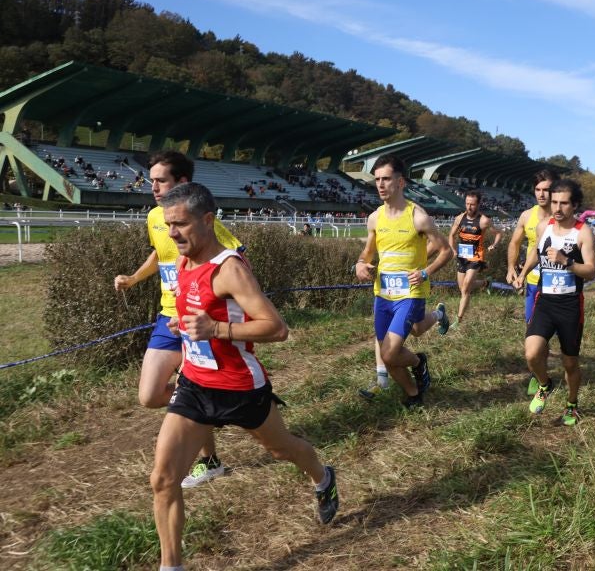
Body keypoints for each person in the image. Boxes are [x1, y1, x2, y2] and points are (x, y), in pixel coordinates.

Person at [151, 182, 338, 570]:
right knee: (164, 479)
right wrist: (181, 324)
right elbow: (200, 314)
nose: (172, 233)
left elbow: (277, 328)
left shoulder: (230, 269)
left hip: (239, 387)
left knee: (281, 448)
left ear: (207, 220)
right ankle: (172, 565)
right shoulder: (185, 262)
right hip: (195, 385)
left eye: (180, 224)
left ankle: (322, 477)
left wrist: (216, 331)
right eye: (169, 224)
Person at [114, 151, 242, 489]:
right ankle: (210, 404)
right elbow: (160, 252)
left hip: (196, 319)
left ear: (182, 183)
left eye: (161, 180)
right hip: (166, 316)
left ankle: (209, 460)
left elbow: (235, 259)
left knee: (193, 390)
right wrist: (133, 278)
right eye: (151, 179)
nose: (152, 186)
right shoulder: (156, 216)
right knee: (149, 395)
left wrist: (217, 306)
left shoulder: (203, 221)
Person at [354, 154, 453, 409]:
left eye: (386, 179)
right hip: (383, 295)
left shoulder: (418, 217)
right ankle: (413, 394)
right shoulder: (375, 217)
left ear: (401, 182)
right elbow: (368, 252)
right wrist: (360, 264)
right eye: (376, 179)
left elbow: (446, 251)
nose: (380, 184)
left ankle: (419, 362)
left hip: (410, 293)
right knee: (389, 356)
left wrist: (425, 272)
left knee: (389, 352)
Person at [513, 178, 595, 426]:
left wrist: (567, 262)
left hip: (570, 306)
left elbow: (591, 271)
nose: (558, 209)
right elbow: (535, 254)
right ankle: (544, 384)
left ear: (575, 206)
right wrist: (521, 274)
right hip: (545, 301)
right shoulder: (543, 227)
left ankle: (572, 404)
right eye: (554, 203)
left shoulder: (583, 232)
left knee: (569, 361)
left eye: (564, 204)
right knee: (532, 353)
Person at [505, 168, 560, 395]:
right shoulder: (527, 216)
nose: (542, 194)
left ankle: (541, 373)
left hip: (556, 284)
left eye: (546, 190)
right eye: (538, 189)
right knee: (533, 330)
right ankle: (540, 374)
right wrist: (511, 267)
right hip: (534, 283)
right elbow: (515, 243)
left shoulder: (561, 217)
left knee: (546, 333)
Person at [446, 190, 501, 330]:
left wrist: (494, 245)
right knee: (463, 288)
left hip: (476, 257)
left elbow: (499, 233)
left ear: (478, 204)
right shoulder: (459, 218)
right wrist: (453, 250)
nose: (469, 207)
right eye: (467, 203)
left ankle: (458, 321)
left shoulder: (484, 220)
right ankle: (486, 283)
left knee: (465, 288)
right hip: (462, 257)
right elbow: (451, 235)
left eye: (472, 204)